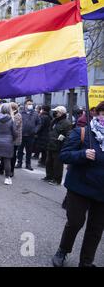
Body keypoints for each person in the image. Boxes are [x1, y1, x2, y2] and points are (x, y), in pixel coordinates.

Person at [52, 101, 104, 267]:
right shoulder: (81, 132)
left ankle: (86, 262)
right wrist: (82, 154)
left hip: (102, 191)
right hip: (80, 187)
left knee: (96, 229)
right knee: (75, 222)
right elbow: (64, 155)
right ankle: (63, 250)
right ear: (98, 113)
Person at [43, 106, 72, 185]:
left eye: (56, 111)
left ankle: (57, 180)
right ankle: (49, 176)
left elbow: (68, 136)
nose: (54, 113)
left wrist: (63, 146)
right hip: (50, 144)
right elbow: (51, 131)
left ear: (61, 113)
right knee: (48, 162)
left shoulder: (67, 123)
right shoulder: (54, 121)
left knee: (57, 164)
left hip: (59, 146)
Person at [0, 103, 17, 185]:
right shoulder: (11, 119)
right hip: (8, 141)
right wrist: (13, 139)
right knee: (7, 160)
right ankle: (7, 178)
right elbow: (14, 132)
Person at [16, 99, 40, 170]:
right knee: (20, 150)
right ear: (25, 105)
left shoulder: (35, 114)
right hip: (22, 134)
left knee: (29, 151)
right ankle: (19, 163)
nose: (30, 105)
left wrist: (35, 130)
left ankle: (28, 164)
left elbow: (39, 123)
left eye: (31, 104)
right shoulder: (21, 113)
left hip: (30, 135)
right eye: (29, 104)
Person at [10, 102, 23, 177]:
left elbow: (14, 126)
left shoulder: (17, 115)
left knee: (13, 155)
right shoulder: (13, 114)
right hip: (11, 138)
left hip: (15, 139)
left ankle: (11, 170)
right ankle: (3, 168)